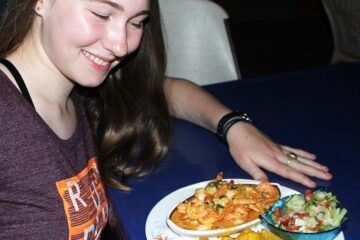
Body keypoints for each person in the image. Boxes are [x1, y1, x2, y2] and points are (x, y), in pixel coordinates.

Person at [0, 0, 331, 239]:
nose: (120, 45)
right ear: (40, 2)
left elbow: (168, 90)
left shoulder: (81, 90)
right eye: (101, 14)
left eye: (137, 22)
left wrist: (235, 126)